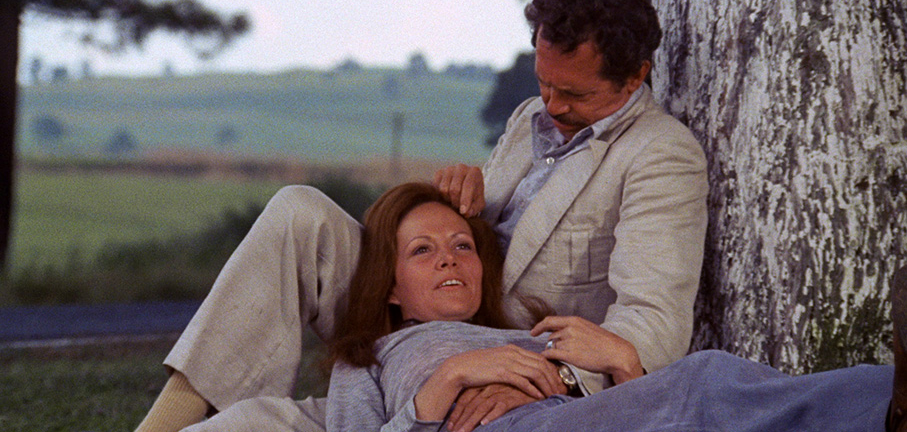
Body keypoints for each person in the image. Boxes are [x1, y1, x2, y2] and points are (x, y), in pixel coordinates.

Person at [136, 0, 707, 432]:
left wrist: (548, 378)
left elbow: (654, 325)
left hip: (504, 353)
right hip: (421, 321)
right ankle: (165, 424)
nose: (551, 105)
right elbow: (484, 237)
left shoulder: (661, 156)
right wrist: (468, 199)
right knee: (298, 213)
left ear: (635, 76)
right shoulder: (530, 118)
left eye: (573, 93)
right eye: (543, 82)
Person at [183, 183, 901, 431]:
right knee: (702, 383)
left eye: (462, 246)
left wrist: (619, 361)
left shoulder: (529, 334)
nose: (450, 261)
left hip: (570, 420)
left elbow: (632, 410)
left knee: (698, 384)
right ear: (391, 288)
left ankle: (887, 394)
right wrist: (447, 382)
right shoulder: (371, 356)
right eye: (424, 251)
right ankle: (882, 402)